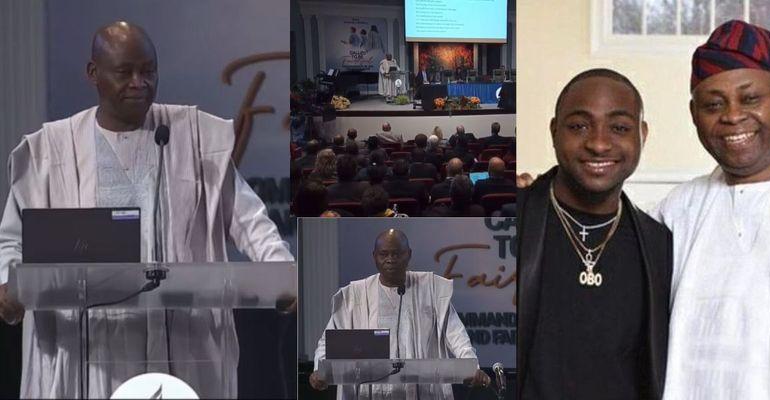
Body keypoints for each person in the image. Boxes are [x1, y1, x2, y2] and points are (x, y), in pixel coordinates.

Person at [0, 21, 293, 398]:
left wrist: (282, 272)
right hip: (89, 350)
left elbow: (250, 221)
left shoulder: (191, 136)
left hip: (182, 346)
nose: (139, 82)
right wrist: (7, 284)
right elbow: (13, 236)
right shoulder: (51, 149)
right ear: (93, 73)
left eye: (148, 71)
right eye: (125, 72)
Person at [653, 20, 770, 399]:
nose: (733, 116)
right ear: (693, 114)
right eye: (714, 105)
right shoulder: (676, 211)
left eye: (750, 99)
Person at [516, 68, 673, 399]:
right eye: (579, 126)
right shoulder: (506, 221)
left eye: (619, 128)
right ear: (555, 131)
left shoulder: (660, 245)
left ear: (642, 135)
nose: (599, 143)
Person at [308, 229, 490, 399]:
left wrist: (471, 366)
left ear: (408, 255)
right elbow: (329, 342)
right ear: (374, 257)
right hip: (367, 393)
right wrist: (319, 369)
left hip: (420, 392)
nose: (390, 259)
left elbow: (456, 335)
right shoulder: (354, 294)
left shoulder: (430, 289)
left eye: (396, 254)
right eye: (384, 254)